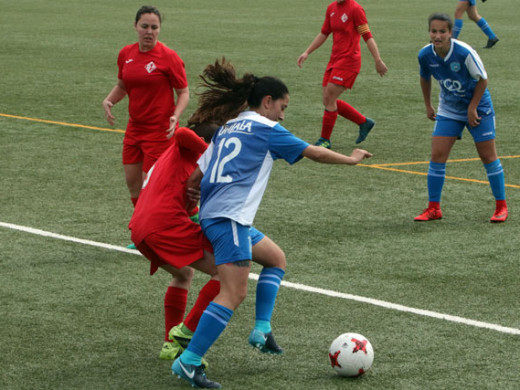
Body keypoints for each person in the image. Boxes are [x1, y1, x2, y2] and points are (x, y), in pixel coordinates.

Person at [171, 58, 372, 389]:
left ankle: (262, 329)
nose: (282, 114)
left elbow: (197, 175)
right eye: (282, 107)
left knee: (275, 259)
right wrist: (350, 159)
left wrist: (194, 193)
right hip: (231, 220)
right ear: (267, 102)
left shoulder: (227, 128)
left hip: (215, 216)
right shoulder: (267, 129)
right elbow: (314, 152)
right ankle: (189, 362)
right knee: (232, 293)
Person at [128, 121, 287, 366]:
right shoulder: (187, 149)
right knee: (226, 273)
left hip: (141, 229)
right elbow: (182, 133)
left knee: (183, 274)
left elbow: (192, 212)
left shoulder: (178, 164)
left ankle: (170, 345)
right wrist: (211, 153)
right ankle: (186, 334)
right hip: (163, 227)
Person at [415, 13, 507, 223]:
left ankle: (501, 206)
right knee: (437, 155)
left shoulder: (464, 53)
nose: (437, 36)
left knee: (487, 156)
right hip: (449, 109)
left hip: (478, 107)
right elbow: (424, 77)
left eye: (442, 32)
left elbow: (483, 80)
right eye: (434, 31)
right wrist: (428, 104)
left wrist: (472, 108)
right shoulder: (425, 54)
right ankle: (433, 208)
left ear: (450, 33)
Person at [102, 5, 190, 208]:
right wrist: (109, 100)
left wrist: (176, 115)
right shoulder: (126, 54)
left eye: (154, 27)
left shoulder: (169, 57)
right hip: (134, 129)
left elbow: (183, 92)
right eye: (145, 26)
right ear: (135, 26)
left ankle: (155, 232)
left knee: (149, 187)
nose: (149, 32)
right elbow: (123, 85)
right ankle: (143, 232)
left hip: (160, 132)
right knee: (133, 184)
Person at [297, 0, 387, 150]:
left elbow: (367, 36)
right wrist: (307, 52)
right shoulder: (331, 8)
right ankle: (364, 122)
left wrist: (378, 60)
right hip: (334, 60)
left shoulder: (356, 9)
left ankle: (325, 140)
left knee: (330, 98)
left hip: (349, 61)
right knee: (327, 99)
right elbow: (324, 33)